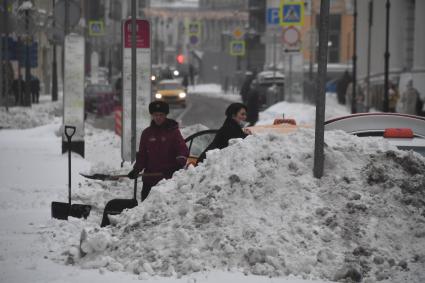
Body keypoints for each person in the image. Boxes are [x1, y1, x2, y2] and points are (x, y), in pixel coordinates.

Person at [127, 101, 189, 201]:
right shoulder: (147, 133)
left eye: (161, 115)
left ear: (165, 115)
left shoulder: (173, 132)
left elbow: (182, 150)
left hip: (167, 181)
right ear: (152, 115)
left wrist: (178, 163)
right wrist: (136, 170)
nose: (158, 118)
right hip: (149, 179)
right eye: (155, 115)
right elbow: (142, 155)